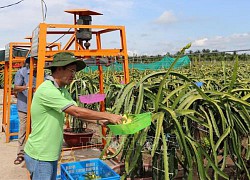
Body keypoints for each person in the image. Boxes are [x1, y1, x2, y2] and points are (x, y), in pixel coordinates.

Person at [24, 52, 122, 180]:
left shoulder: (61, 90)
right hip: (41, 154)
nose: (73, 75)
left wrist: (101, 121)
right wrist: (108, 115)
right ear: (59, 68)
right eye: (71, 70)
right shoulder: (47, 90)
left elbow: (76, 113)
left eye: (75, 72)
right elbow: (76, 112)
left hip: (49, 153)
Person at [13, 57, 37, 165]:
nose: (36, 64)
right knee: (23, 129)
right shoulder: (21, 72)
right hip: (24, 107)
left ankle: (33, 152)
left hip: (37, 107)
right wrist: (26, 88)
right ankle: (21, 154)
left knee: (36, 129)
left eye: (38, 61)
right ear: (29, 63)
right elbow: (16, 88)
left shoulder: (42, 73)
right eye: (34, 62)